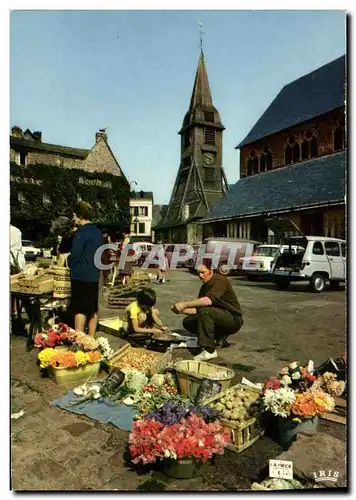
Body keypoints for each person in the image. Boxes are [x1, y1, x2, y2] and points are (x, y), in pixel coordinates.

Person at [171, 261, 243, 361]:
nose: (200, 276)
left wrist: (184, 304)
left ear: (211, 271)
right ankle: (218, 337)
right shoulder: (204, 287)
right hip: (218, 316)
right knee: (188, 322)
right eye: (198, 273)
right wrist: (181, 310)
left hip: (233, 319)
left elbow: (208, 301)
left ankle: (210, 351)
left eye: (203, 272)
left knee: (205, 311)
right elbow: (198, 310)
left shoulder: (220, 280)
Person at [68, 201, 103, 337]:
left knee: (80, 309)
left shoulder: (80, 233)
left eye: (74, 215)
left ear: (79, 216)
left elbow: (75, 255)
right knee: (92, 309)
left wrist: (69, 262)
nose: (73, 218)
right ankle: (92, 338)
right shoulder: (98, 231)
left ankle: (79, 339)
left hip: (80, 274)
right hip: (94, 274)